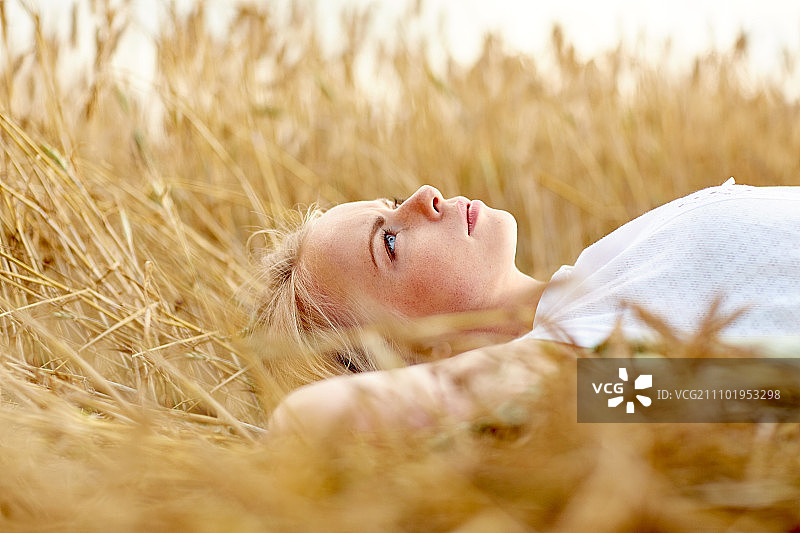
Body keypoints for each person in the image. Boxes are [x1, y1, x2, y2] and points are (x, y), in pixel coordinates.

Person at [258, 179, 800, 437]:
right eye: (391, 242)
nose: (425, 196)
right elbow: (769, 387)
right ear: (404, 359)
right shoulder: (573, 376)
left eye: (391, 202)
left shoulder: (605, 265)